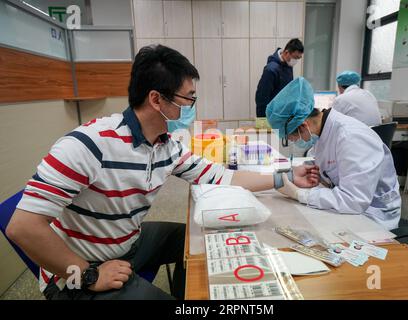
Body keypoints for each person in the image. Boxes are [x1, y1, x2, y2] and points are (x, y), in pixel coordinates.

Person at [6, 45, 319, 300]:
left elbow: (223, 176)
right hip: (79, 273)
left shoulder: (167, 147)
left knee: (196, 241)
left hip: (127, 243)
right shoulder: (88, 144)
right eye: (189, 98)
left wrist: (285, 177)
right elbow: (23, 227)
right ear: (156, 99)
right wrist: (89, 274)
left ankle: (187, 290)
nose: (193, 106)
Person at [267, 77, 401, 230]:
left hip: (373, 216)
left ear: (303, 126)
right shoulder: (323, 130)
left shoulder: (351, 137)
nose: (293, 141)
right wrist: (310, 170)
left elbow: (354, 200)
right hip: (351, 206)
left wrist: (299, 194)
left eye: (292, 137)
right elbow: (329, 163)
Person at [255, 38, 304, 117]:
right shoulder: (271, 70)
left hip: (282, 113)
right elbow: (262, 97)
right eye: (295, 57)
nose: (296, 61)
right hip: (271, 115)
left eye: (298, 58)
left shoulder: (288, 65)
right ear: (287, 52)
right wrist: (263, 120)